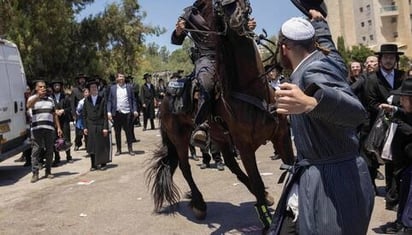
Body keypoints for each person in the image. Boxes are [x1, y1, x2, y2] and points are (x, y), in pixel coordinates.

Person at [268, 4, 374, 234]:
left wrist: (310, 104)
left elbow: (356, 112)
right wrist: (319, 21)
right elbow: (329, 48)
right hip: (328, 174)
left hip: (330, 184)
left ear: (284, 48)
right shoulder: (330, 61)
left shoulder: (311, 71)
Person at [172, 0, 256, 148]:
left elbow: (235, 27)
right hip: (205, 57)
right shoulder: (189, 13)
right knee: (206, 82)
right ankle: (202, 125)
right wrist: (179, 31)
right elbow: (176, 40)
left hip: (227, 54)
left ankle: (262, 111)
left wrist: (247, 27)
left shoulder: (222, 6)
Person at [365, 43, 406, 211]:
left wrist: (396, 107)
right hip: (382, 127)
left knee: (401, 164)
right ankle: (392, 199)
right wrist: (386, 109)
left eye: (392, 58)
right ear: (380, 60)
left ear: (396, 60)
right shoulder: (372, 79)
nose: (389, 61)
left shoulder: (403, 76)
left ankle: (401, 197)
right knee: (389, 163)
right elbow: (371, 102)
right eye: (386, 58)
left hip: (402, 125)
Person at [378, 78, 412, 233]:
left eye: (404, 98)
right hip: (405, 162)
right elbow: (403, 111)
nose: (401, 101)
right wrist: (393, 110)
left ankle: (408, 226)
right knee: (404, 191)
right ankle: (400, 222)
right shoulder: (406, 111)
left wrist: (405, 127)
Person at [27, 80, 62, 183]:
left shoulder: (50, 100)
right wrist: (38, 96)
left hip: (49, 128)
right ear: (36, 88)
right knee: (36, 150)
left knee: (50, 150)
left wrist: (58, 128)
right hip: (37, 128)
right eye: (41, 87)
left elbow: (54, 114)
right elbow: (28, 105)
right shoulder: (32, 98)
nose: (43, 88)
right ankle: (35, 173)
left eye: (44, 87)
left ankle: (48, 171)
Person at [107, 72, 138, 156]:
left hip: (127, 112)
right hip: (116, 113)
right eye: (120, 77)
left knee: (128, 131)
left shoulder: (129, 87)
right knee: (117, 132)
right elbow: (109, 100)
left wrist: (135, 110)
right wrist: (109, 112)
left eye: (122, 77)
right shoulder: (112, 88)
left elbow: (133, 100)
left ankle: (130, 149)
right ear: (117, 79)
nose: (121, 78)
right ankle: (118, 149)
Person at [83, 79, 111, 171]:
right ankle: (93, 164)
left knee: (101, 145)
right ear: (89, 89)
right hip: (90, 125)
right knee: (91, 146)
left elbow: (105, 115)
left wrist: (105, 128)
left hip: (100, 125)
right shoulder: (86, 101)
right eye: (92, 87)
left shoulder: (102, 99)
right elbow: (84, 115)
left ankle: (103, 163)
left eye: (95, 87)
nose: (94, 89)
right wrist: (85, 127)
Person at [50, 80, 73, 166]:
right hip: (54, 121)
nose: (57, 87)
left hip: (64, 120)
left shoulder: (65, 96)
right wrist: (54, 111)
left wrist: (63, 110)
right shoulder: (50, 97)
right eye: (55, 85)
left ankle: (68, 156)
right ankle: (57, 157)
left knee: (66, 137)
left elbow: (70, 108)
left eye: (58, 85)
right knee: (55, 139)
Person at [71, 74, 88, 151]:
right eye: (80, 79)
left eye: (83, 79)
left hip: (88, 113)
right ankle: (77, 144)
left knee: (87, 130)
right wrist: (74, 114)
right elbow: (72, 103)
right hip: (79, 114)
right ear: (78, 80)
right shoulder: (75, 90)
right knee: (78, 131)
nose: (82, 80)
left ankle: (88, 145)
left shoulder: (88, 89)